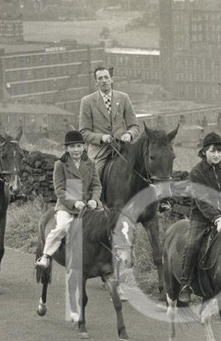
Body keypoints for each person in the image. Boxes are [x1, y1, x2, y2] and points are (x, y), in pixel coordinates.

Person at [179, 131, 221, 302]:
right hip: (201, 217)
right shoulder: (196, 173)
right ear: (204, 151)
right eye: (213, 151)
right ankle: (185, 284)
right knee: (192, 245)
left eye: (220, 151)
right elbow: (202, 201)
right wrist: (217, 219)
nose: (217, 154)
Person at [35, 131, 103, 269]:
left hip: (88, 204)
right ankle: (46, 256)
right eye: (72, 147)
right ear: (66, 149)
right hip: (67, 206)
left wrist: (94, 200)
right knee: (62, 226)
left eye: (79, 146)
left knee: (107, 225)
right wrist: (74, 202)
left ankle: (108, 261)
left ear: (84, 147)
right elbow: (59, 189)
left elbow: (96, 185)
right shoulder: (60, 164)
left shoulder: (91, 163)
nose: (76, 150)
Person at [79, 66, 141, 171]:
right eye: (100, 78)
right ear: (96, 82)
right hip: (100, 152)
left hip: (123, 149)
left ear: (112, 79)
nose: (104, 81)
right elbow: (84, 132)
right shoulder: (87, 101)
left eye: (106, 77)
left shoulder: (123, 98)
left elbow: (134, 126)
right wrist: (101, 138)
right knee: (94, 177)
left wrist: (129, 134)